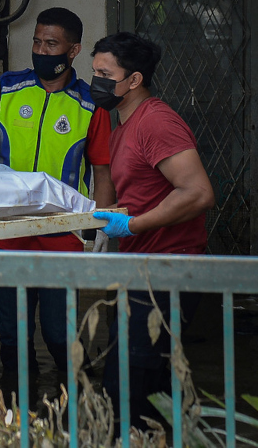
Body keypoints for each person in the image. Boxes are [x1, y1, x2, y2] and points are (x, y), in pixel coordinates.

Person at [0, 7, 114, 383]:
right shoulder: (8, 88)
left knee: (59, 334)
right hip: (8, 230)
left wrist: (101, 223)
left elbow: (102, 170)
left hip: (62, 234)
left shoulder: (90, 104)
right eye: (37, 41)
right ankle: (19, 409)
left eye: (51, 44)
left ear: (73, 50)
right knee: (13, 337)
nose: (41, 50)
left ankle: (84, 403)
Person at [90, 32, 215, 427]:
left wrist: (132, 225)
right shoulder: (122, 126)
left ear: (134, 80)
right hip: (141, 268)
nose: (96, 81)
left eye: (105, 75)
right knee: (147, 381)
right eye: (94, 72)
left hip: (168, 270)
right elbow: (135, 191)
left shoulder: (156, 122)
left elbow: (198, 193)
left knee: (129, 383)